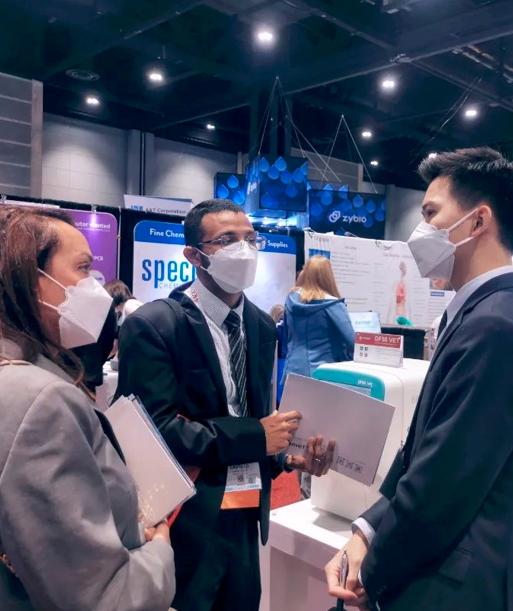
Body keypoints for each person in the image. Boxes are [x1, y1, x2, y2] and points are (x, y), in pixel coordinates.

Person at [116, 199, 334, 611]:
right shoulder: (155, 324)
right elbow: (152, 429)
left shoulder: (262, 325)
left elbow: (256, 415)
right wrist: (256, 436)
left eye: (251, 238)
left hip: (246, 514)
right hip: (186, 517)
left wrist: (286, 458)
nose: (244, 249)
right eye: (227, 240)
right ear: (194, 255)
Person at [326, 147, 513, 611]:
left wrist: (371, 571)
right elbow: (422, 450)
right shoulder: (478, 311)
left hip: (454, 577)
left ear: (478, 221)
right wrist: (366, 529)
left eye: (430, 213)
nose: (420, 229)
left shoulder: (494, 323)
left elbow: (443, 482)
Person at [0, 205, 175, 610]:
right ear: (27, 279)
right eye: (82, 268)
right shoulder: (41, 400)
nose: (94, 286)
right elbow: (102, 597)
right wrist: (159, 551)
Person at [283, 255, 355, 379]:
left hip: (292, 369)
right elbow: (352, 342)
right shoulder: (333, 305)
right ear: (328, 276)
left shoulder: (290, 299)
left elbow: (287, 334)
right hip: (323, 373)